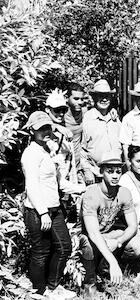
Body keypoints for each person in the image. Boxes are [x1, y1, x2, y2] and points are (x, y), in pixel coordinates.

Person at [21, 111, 76, 299]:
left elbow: (59, 183)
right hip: (37, 211)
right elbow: (32, 186)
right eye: (40, 128)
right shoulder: (30, 154)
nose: (45, 131)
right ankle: (39, 291)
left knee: (64, 247)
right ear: (31, 131)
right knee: (41, 252)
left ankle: (53, 287)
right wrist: (43, 213)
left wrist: (82, 188)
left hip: (55, 208)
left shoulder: (49, 150)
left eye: (47, 127)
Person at [80, 151, 139, 293]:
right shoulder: (91, 194)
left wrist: (118, 241)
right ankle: (90, 284)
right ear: (101, 172)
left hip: (110, 234)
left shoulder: (124, 192)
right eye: (110, 171)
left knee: (139, 246)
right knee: (88, 245)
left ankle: (105, 270)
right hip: (90, 235)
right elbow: (93, 233)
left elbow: (133, 226)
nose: (114, 176)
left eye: (118, 172)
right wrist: (113, 261)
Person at [81, 79, 122, 185]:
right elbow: (82, 149)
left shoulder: (115, 118)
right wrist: (87, 170)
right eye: (100, 96)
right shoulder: (87, 118)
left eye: (107, 96)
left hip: (115, 174)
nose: (104, 99)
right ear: (95, 97)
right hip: (96, 174)